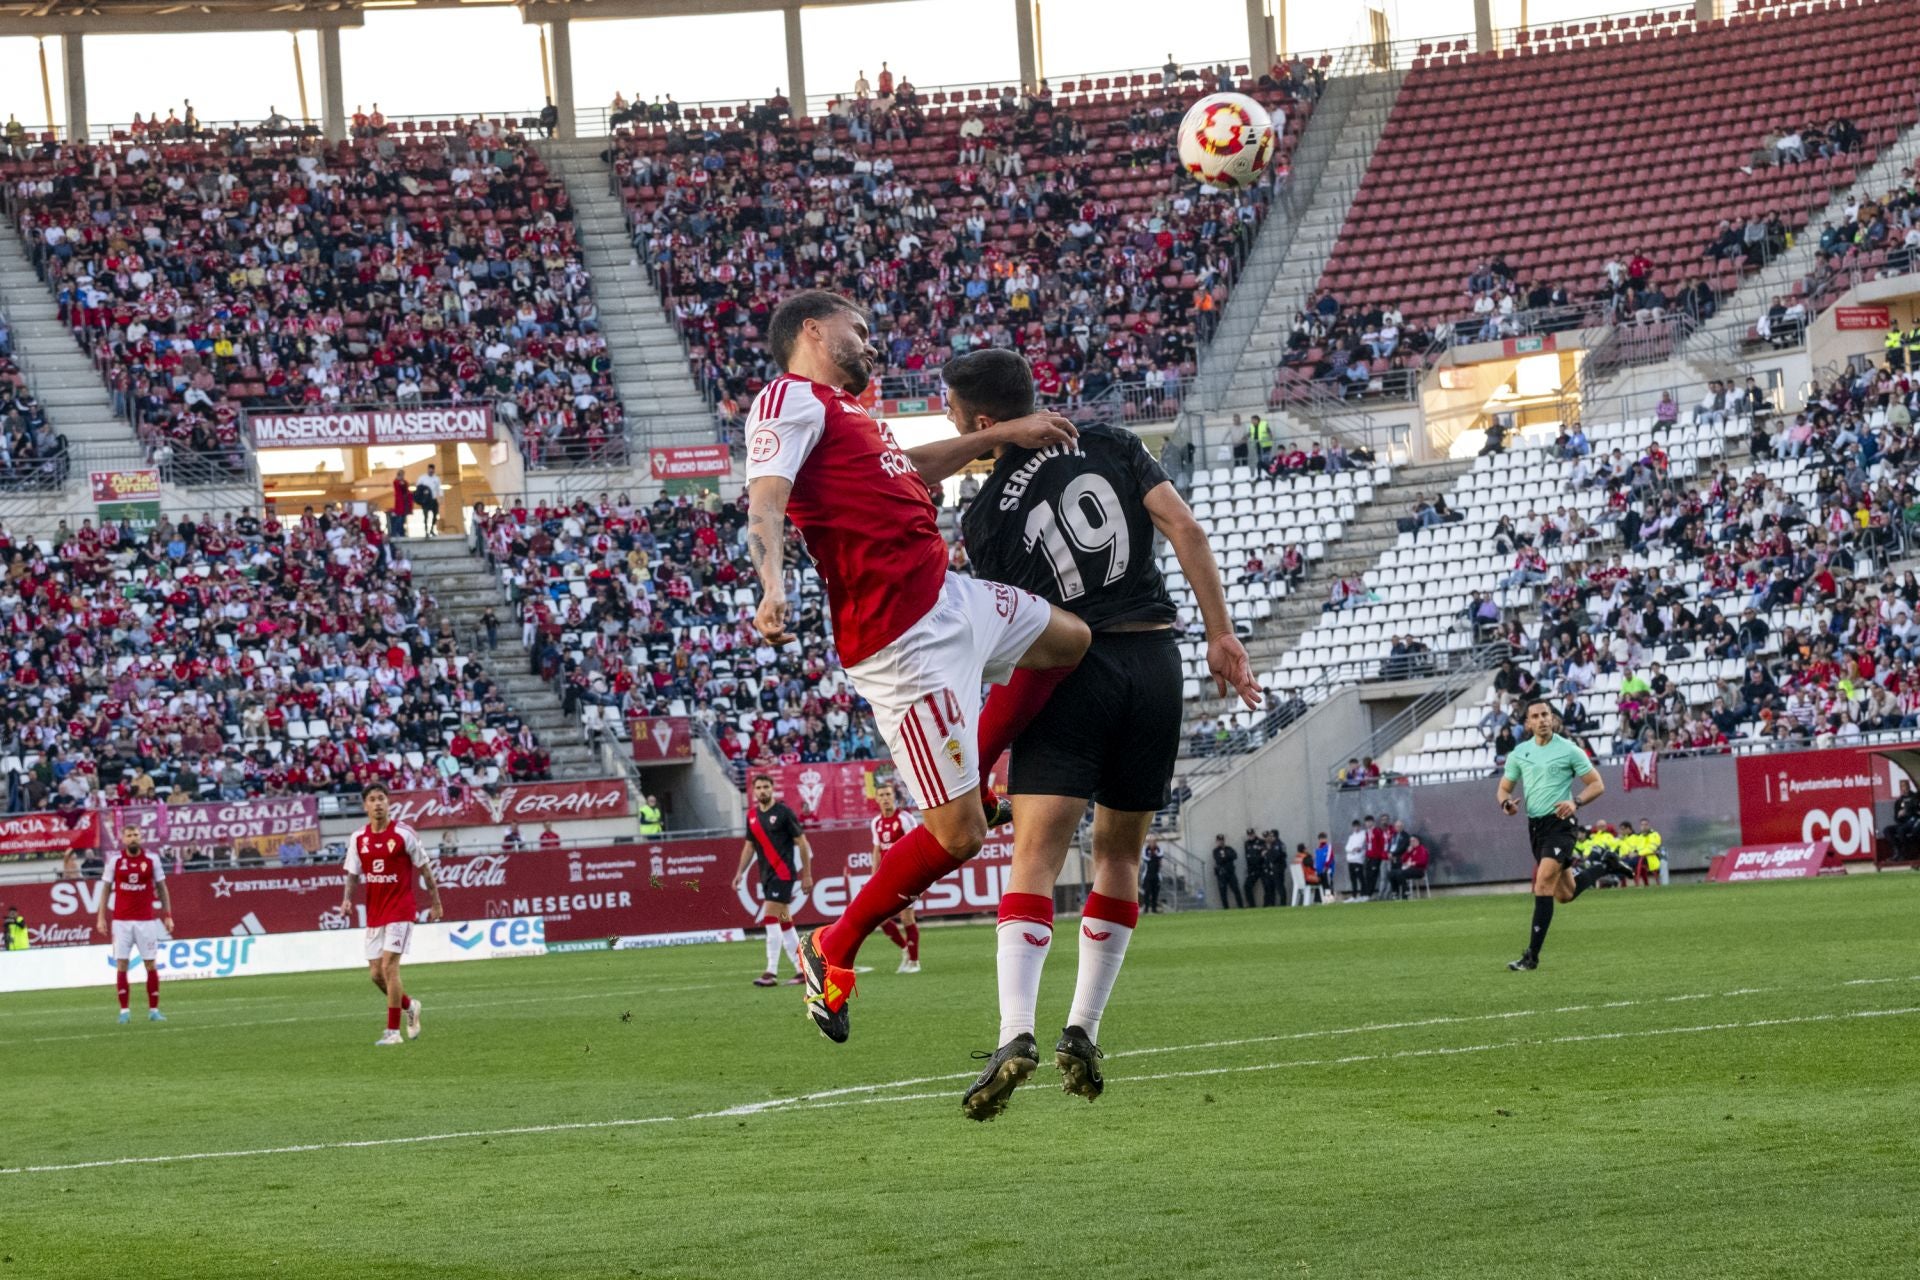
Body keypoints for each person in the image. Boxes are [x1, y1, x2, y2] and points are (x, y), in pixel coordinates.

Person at [742, 290, 1091, 1043]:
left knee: (1071, 640)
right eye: (857, 331)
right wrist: (772, 584)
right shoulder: (788, 400)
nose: (870, 345)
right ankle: (831, 946)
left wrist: (1008, 435)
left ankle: (982, 770)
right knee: (960, 835)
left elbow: (915, 463)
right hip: (905, 644)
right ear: (811, 330)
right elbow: (766, 499)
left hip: (949, 596)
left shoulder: (853, 417)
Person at [944, 347, 1258, 1116]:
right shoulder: (1112, 441)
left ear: (984, 424)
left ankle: (1016, 1028)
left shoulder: (983, 511)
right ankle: (1082, 1026)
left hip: (1071, 668)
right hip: (1154, 660)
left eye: (955, 417)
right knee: (1120, 853)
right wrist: (1221, 634)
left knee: (1037, 854)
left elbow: (1011, 622)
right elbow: (1183, 526)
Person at [1496, 698, 1627, 971]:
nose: (1543, 719)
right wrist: (1505, 804)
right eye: (1537, 716)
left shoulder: (1569, 750)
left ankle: (1531, 956)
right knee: (1564, 894)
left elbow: (1597, 784)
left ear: (1553, 718)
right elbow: (1504, 789)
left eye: (1547, 714)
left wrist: (1575, 802)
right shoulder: (1519, 753)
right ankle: (1605, 865)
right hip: (1536, 828)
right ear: (1528, 723)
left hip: (1562, 825)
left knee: (1542, 883)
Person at [337, 783, 443, 1045]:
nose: (378, 804)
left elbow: (425, 869)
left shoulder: (404, 834)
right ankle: (410, 1006)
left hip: (401, 909)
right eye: (372, 799)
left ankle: (392, 1032)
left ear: (389, 803)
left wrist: (436, 903)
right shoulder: (358, 838)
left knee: (389, 966)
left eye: (381, 798)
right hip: (376, 912)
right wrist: (347, 900)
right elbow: (352, 873)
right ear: (365, 806)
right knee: (375, 974)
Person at [732, 774, 813, 987]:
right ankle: (802, 969)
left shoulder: (784, 813)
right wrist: (740, 872)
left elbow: (802, 843)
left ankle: (771, 971)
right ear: (754, 791)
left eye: (766, 786)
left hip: (784, 874)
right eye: (758, 787)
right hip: (766, 876)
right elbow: (749, 846)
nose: (762, 791)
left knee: (770, 918)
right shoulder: (751, 816)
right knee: (785, 922)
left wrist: (807, 874)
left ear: (772, 788)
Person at [94, 827, 173, 1023]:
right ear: (123, 839)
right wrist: (101, 917)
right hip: (121, 922)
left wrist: (168, 915)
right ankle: (124, 1012)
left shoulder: (152, 860)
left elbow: (162, 888)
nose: (133, 839)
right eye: (129, 836)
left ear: (141, 837)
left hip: (146, 921)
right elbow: (105, 889)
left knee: (150, 964)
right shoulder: (115, 861)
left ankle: (154, 1010)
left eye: (136, 835)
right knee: (122, 964)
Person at [868, 780, 924, 973]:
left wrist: (918, 875)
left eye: (888, 795)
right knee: (878, 917)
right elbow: (877, 850)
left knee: (907, 917)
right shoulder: (876, 822)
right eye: (881, 795)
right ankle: (905, 949)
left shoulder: (905, 819)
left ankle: (914, 962)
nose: (885, 799)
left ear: (894, 797)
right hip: (886, 877)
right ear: (876, 799)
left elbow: (917, 845)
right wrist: (873, 877)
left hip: (907, 875)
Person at [1242, 828, 1270, 908]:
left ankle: (1266, 905)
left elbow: (1263, 855)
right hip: (1253, 869)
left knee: (1267, 887)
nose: (1251, 836)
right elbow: (1247, 857)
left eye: (1252, 834)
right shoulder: (1247, 844)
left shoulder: (1261, 842)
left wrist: (1258, 857)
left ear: (1254, 834)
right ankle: (1252, 906)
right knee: (1247, 886)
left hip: (1261, 867)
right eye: (1249, 835)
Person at [1140, 841, 1165, 913]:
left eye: (1154, 843)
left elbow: (1161, 854)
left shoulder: (1159, 850)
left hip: (1156, 875)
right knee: (1147, 892)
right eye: (1151, 843)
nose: (1153, 844)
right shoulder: (1145, 850)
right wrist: (1153, 854)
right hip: (1147, 875)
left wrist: (1154, 853)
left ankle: (1154, 908)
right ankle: (1146, 908)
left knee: (1155, 892)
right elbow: (1146, 857)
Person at [391, 467, 414, 539]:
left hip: (405, 502)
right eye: (401, 475)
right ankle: (397, 532)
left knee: (403, 519)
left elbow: (406, 487)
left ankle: (402, 532)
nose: (402, 476)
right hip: (399, 502)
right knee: (399, 518)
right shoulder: (396, 482)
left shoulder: (405, 482)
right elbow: (399, 486)